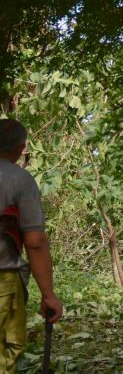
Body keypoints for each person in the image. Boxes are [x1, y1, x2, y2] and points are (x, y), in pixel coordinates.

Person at [0, 119, 62, 373]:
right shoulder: (21, 181)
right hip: (3, 280)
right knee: (4, 353)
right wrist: (49, 295)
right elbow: (35, 242)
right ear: (21, 148)